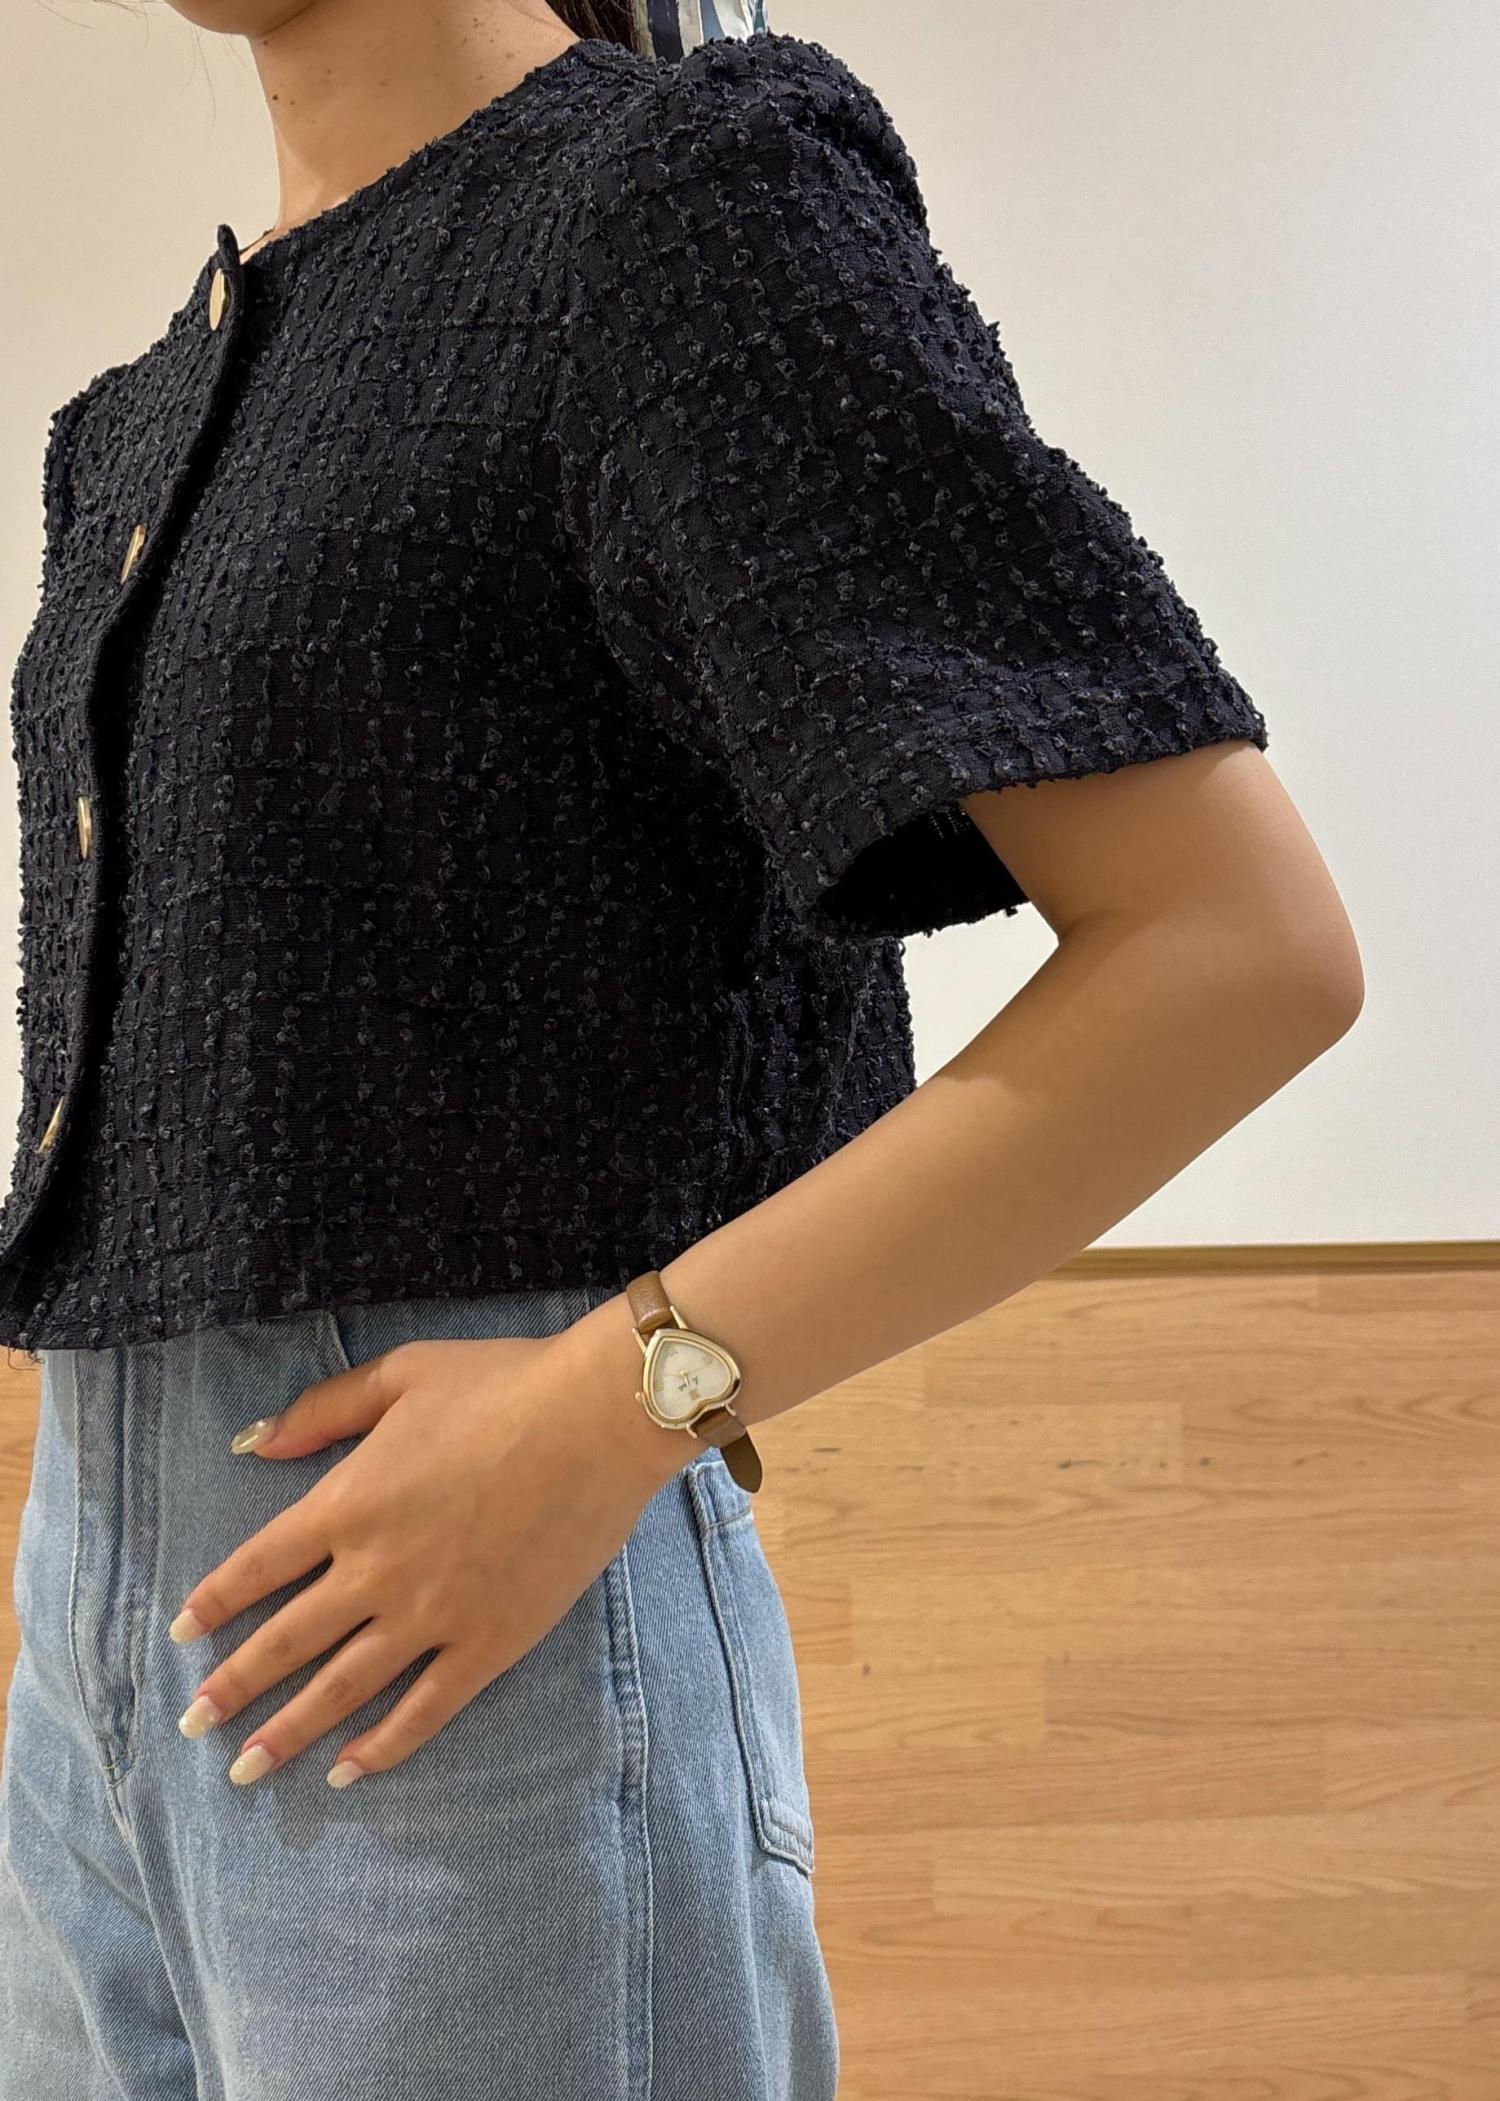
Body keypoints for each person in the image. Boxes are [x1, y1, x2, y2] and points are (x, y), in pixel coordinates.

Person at [0, 0, 1363, 2095]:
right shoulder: (136, 420)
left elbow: (1238, 944)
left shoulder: (669, 209)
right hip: (95, 1645)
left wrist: (610, 1404)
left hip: (468, 1644)